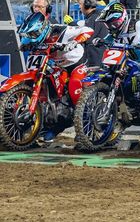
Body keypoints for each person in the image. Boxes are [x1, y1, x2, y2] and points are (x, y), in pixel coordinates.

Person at [18, 12, 93, 142]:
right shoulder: (34, 36)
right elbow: (26, 42)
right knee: (49, 90)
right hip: (57, 65)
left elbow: (88, 30)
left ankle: (86, 126)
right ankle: (50, 125)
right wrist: (24, 45)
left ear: (42, 28)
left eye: (33, 34)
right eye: (30, 35)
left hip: (75, 63)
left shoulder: (62, 30)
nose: (32, 38)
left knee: (74, 85)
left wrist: (75, 41)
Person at [95, 1, 140, 104]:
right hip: (130, 62)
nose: (112, 27)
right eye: (108, 24)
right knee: (114, 77)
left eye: (115, 23)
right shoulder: (114, 33)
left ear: (123, 18)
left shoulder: (138, 25)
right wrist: (99, 40)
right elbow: (107, 39)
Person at [76, 0, 108, 68]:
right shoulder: (95, 16)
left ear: (87, 5)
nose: (79, 7)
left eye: (80, 4)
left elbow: (87, 37)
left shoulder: (94, 18)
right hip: (96, 55)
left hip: (95, 58)